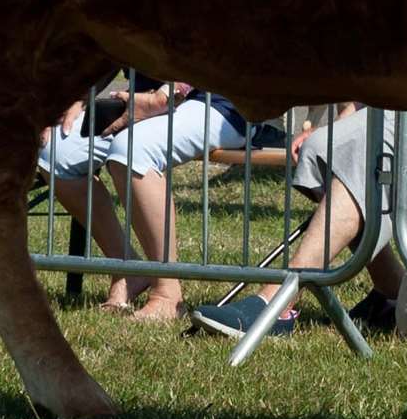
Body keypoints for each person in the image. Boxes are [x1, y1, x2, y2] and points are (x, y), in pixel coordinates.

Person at [188, 105, 407, 339]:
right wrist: (342, 123)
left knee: (361, 154)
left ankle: (277, 302)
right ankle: (393, 291)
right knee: (321, 148)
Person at [38, 78, 255, 320]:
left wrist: (162, 97)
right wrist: (76, 95)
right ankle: (127, 268)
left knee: (133, 149)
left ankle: (167, 294)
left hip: (222, 103)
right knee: (55, 151)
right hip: (141, 99)